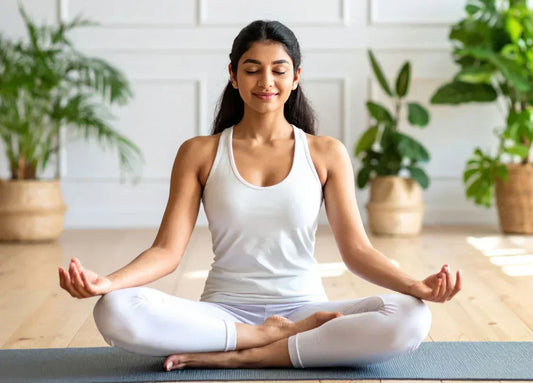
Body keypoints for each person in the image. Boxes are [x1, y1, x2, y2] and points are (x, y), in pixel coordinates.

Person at [58, 20, 462, 371]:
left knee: (410, 316)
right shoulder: (199, 152)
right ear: (233, 76)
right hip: (223, 312)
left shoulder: (326, 153)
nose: (266, 82)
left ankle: (249, 355)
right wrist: (106, 283)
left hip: (306, 309)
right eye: (252, 70)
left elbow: (356, 251)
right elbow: (167, 250)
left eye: (278, 70)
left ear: (296, 76)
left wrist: (416, 286)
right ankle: (260, 337)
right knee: (113, 310)